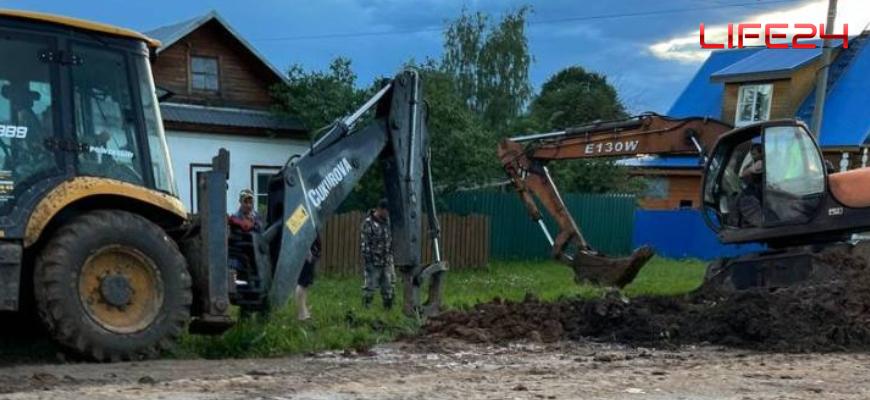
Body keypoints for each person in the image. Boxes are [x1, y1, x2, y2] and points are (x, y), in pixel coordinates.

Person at [360, 198, 394, 310]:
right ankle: (366, 308)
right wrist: (368, 261)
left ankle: (388, 309)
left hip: (387, 260)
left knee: (388, 286)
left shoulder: (388, 221)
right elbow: (365, 244)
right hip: (373, 261)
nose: (388, 214)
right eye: (386, 211)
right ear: (380, 209)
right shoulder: (368, 223)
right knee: (369, 286)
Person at [296, 236, 321, 321]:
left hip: (311, 252)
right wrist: (307, 251)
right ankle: (302, 314)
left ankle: (304, 310)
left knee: (305, 284)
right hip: (306, 253)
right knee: (302, 283)